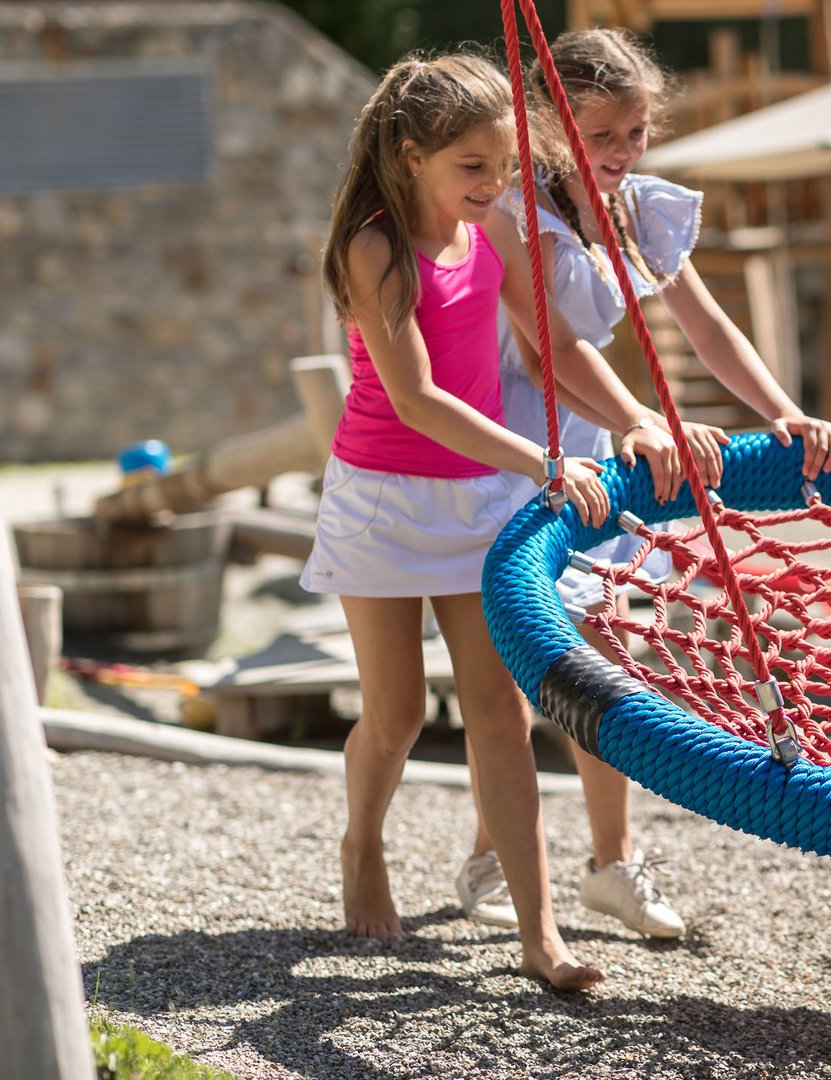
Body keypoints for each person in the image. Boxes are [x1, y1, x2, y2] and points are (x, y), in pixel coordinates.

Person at [453, 26, 831, 940]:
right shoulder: (512, 212)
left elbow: (705, 326)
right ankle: (499, 844)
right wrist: (645, 417)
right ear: (549, 126)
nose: (625, 154)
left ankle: (612, 863)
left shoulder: (633, 207)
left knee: (600, 653)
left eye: (636, 134)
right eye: (603, 137)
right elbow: (539, 342)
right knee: (507, 672)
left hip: (592, 437)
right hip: (511, 440)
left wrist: (784, 409)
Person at [307, 52, 616, 989]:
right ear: (410, 157)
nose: (490, 186)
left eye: (501, 167)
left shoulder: (497, 233)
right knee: (396, 715)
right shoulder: (376, 246)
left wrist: (635, 418)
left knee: (502, 712)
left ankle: (539, 935)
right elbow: (417, 400)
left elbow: (550, 344)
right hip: (383, 503)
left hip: (480, 500)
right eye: (470, 169)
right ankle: (364, 845)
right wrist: (543, 461)